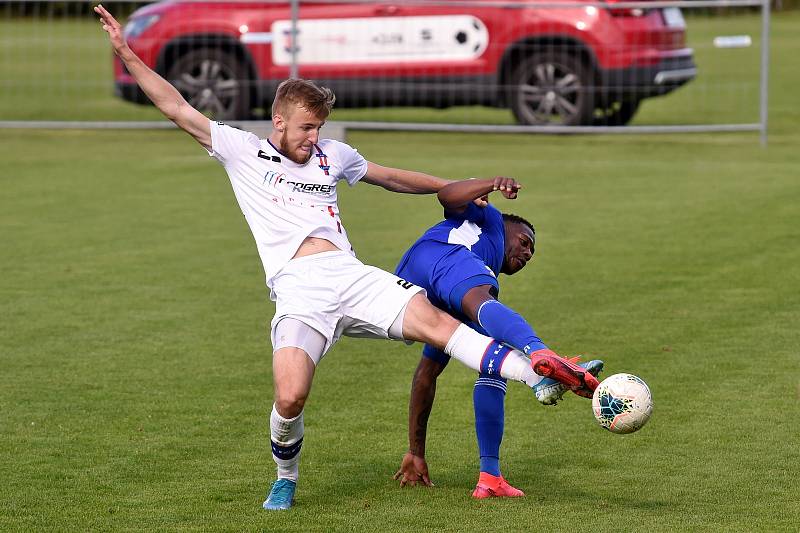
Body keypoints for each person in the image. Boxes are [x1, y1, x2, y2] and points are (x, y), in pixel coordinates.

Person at [94, 4, 599, 511]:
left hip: (350, 275)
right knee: (290, 397)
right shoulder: (241, 150)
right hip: (298, 288)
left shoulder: (332, 156)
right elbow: (177, 107)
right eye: (308, 128)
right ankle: (285, 476)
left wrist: (454, 188)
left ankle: (541, 373)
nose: (316, 138)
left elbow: (390, 176)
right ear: (279, 120)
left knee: (440, 325)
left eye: (320, 128)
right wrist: (126, 52)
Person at [392, 178, 603, 497]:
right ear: (506, 227)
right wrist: (489, 184)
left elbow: (425, 378)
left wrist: (415, 451)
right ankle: (543, 357)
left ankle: (490, 478)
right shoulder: (487, 218)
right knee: (487, 305)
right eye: (525, 241)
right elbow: (446, 195)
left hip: (411, 291)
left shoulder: (466, 288)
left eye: (532, 251)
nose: (529, 253)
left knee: (491, 364)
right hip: (437, 259)